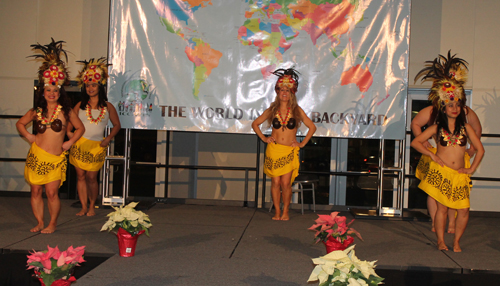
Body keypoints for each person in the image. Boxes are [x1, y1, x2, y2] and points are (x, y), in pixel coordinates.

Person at [411, 55, 484, 252]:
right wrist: (431, 154)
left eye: (457, 104)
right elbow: (415, 137)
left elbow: (480, 146)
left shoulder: (466, 125)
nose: (454, 108)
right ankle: (441, 240)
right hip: (441, 169)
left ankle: (457, 241)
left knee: (464, 209)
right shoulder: (436, 125)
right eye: (450, 104)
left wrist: (471, 165)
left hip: (460, 172)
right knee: (441, 206)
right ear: (443, 106)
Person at [16, 39, 85, 234]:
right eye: (48, 90)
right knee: (36, 191)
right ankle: (39, 222)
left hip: (55, 159)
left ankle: (52, 223)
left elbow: (80, 129)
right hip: (36, 156)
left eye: (55, 90)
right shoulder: (36, 110)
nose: (52, 93)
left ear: (59, 91)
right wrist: (29, 137)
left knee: (52, 193)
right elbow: (19, 124)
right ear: (43, 91)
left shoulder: (67, 111)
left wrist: (69, 142)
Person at [252, 68, 317, 221]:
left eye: (287, 90)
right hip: (274, 150)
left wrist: (301, 144)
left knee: (286, 183)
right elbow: (255, 124)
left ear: (292, 92)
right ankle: (276, 212)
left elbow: (312, 127)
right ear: (278, 92)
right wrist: (264, 138)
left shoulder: (296, 110)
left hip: (289, 150)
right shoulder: (272, 109)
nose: (284, 93)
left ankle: (286, 211)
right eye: (282, 90)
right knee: (275, 182)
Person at [68, 57, 121, 216]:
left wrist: (108, 138)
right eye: (88, 85)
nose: (90, 88)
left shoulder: (108, 106)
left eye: (93, 85)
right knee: (80, 176)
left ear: (100, 86)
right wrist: (72, 137)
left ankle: (92, 205)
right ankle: (83, 206)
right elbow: (68, 128)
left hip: (97, 146)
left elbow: (117, 125)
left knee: (92, 177)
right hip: (80, 145)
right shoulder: (80, 106)